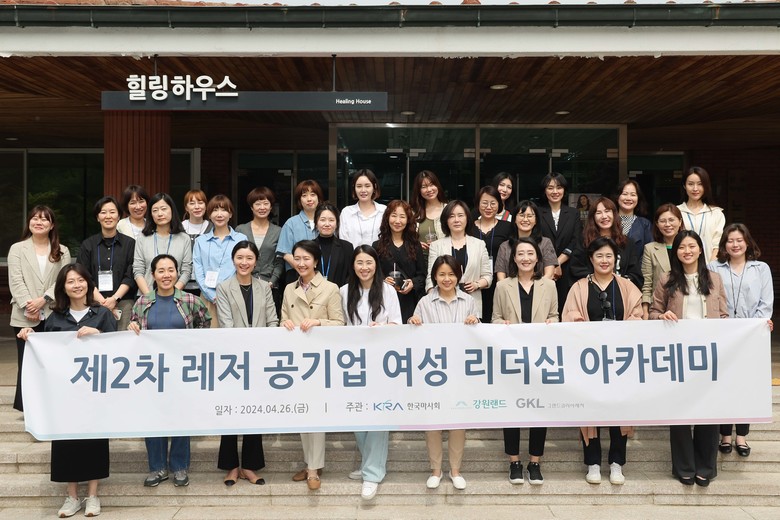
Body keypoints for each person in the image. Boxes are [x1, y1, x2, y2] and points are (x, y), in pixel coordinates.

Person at [17, 264, 116, 518]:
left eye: (81, 280)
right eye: (70, 281)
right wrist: (30, 334)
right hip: (64, 394)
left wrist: (99, 334)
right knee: (66, 443)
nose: (76, 285)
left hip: (95, 392)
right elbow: (45, 349)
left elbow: (117, 348)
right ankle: (71, 497)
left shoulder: (102, 314)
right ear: (63, 287)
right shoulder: (56, 318)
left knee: (94, 441)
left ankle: (92, 495)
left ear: (88, 284)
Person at [562, 236, 643, 485]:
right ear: (591, 259)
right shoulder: (579, 288)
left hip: (620, 361)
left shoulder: (627, 287)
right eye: (599, 256)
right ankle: (593, 463)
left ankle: (617, 463)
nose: (604, 260)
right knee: (590, 410)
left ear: (615, 259)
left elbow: (638, 316)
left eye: (609, 256)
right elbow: (568, 316)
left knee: (620, 411)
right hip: (589, 361)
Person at [650, 230, 728, 486]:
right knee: (680, 412)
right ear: (676, 251)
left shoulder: (714, 278)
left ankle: (705, 466)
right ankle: (684, 466)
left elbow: (724, 316)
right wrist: (661, 316)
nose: (687, 251)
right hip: (678, 356)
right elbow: (653, 312)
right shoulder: (667, 279)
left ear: (700, 249)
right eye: (682, 247)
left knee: (709, 411)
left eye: (692, 246)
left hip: (709, 354)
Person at [129, 254, 211, 488]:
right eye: (161, 271)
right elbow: (135, 328)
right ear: (153, 275)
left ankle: (179, 466)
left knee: (180, 417)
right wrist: (132, 326)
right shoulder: (142, 302)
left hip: (182, 370)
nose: (166, 275)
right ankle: (157, 468)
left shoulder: (191, 300)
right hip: (152, 371)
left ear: (177, 273)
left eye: (171, 270)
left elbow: (204, 326)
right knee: (153, 418)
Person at [409, 255, 480, 491]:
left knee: (458, 422)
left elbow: (478, 337)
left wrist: (475, 322)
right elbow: (415, 335)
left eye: (451, 274)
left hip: (459, 372)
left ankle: (455, 470)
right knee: (433, 423)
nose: (446, 279)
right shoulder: (424, 302)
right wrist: (413, 321)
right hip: (433, 373)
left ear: (458, 276)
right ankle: (436, 470)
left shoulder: (468, 301)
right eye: (441, 274)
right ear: (434, 277)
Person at [491, 238, 558, 485]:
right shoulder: (502, 286)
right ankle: (514, 462)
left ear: (538, 258)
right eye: (521, 254)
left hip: (540, 358)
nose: (526, 258)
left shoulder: (549, 285)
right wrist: (503, 324)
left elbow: (555, 315)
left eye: (530, 253)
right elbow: (495, 318)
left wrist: (552, 323)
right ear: (514, 258)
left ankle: (535, 462)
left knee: (539, 410)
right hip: (512, 359)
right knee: (512, 410)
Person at [280, 240, 345, 490]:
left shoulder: (330, 288)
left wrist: (318, 323)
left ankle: (313, 470)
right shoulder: (289, 289)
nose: (301, 263)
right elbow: (283, 319)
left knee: (316, 413)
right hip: (296, 360)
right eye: (297, 258)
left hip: (320, 360)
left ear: (316, 261)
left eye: (306, 258)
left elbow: (339, 323)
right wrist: (284, 324)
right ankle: (309, 463)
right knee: (302, 412)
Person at [339, 245, 402, 500]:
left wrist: (382, 328)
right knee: (357, 413)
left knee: (377, 414)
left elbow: (398, 324)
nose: (364, 267)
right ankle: (369, 463)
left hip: (381, 362)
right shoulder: (344, 292)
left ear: (376, 265)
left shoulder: (388, 291)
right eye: (359, 263)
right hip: (353, 364)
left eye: (369, 262)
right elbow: (340, 325)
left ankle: (372, 474)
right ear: (353, 266)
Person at [707, 223, 774, 458]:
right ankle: (725, 434)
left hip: (751, 336)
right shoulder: (713, 267)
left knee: (746, 385)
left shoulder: (761, 268)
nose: (735, 245)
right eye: (730, 240)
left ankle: (742, 436)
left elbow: (766, 303)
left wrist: (751, 328)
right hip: (722, 335)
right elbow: (710, 299)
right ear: (724, 244)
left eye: (739, 240)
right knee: (724, 384)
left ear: (747, 242)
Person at [215, 241, 278, 487]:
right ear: (233, 260)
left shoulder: (264, 287)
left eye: (249, 258)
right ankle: (231, 466)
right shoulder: (224, 287)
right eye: (240, 257)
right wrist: (245, 347)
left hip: (260, 358)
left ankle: (250, 466)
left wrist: (264, 347)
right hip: (233, 359)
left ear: (256, 261)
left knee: (254, 412)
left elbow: (272, 321)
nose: (244, 262)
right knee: (231, 411)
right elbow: (226, 324)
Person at [8, 205, 71, 412]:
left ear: (52, 225)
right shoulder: (17, 249)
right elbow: (16, 280)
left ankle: (51, 405)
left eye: (44, 219)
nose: (39, 222)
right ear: (29, 222)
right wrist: (30, 305)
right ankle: (27, 407)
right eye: (35, 218)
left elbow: (63, 280)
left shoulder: (62, 251)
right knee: (26, 362)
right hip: (23, 314)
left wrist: (43, 300)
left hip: (53, 312)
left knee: (51, 362)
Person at [77, 196, 136, 331]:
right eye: (103, 212)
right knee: (95, 339)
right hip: (94, 303)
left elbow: (130, 275)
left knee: (122, 340)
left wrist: (114, 299)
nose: (108, 216)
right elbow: (84, 276)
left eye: (112, 212)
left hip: (123, 303)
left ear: (119, 216)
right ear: (98, 217)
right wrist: (102, 301)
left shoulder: (130, 244)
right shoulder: (88, 245)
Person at [426, 200, 492, 316]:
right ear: (446, 220)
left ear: (467, 218)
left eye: (460, 215)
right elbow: (430, 277)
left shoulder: (479, 244)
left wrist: (476, 284)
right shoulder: (436, 246)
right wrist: (432, 299)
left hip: (472, 305)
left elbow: (488, 276)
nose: (456, 220)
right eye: (451, 216)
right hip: (442, 305)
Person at [193, 195, 247, 327]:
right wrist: (212, 296)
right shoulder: (200, 241)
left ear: (230, 214)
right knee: (210, 336)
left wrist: (227, 295)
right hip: (208, 298)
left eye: (224, 210)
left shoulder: (241, 239)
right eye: (215, 210)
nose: (219, 214)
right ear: (209, 215)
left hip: (235, 296)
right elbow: (198, 272)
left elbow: (245, 268)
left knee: (237, 335)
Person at [569, 196, 643, 290]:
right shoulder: (584, 241)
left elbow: (635, 274)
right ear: (593, 217)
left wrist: (619, 283)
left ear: (614, 214)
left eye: (607, 211)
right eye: (598, 213)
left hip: (621, 291)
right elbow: (575, 268)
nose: (604, 216)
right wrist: (597, 282)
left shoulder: (627, 242)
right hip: (591, 291)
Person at [372, 199, 426, 323]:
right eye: (394, 215)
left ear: (408, 220)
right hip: (385, 301)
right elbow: (373, 275)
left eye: (402, 217)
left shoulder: (415, 245)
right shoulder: (377, 246)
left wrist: (413, 283)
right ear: (387, 218)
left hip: (410, 301)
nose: (397, 221)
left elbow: (422, 275)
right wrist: (384, 281)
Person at [132, 192, 192, 297]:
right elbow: (138, 270)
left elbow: (186, 271)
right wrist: (150, 297)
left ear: (172, 210)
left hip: (175, 297)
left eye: (164, 209)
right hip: (147, 296)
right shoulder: (142, 238)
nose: (160, 214)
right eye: (155, 210)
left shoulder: (184, 238)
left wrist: (172, 295)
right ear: (151, 214)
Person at [538, 173, 582, 313]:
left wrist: (557, 262)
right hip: (542, 268)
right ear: (545, 190)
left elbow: (575, 240)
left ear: (564, 189)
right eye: (550, 188)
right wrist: (551, 265)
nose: (555, 191)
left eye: (559, 187)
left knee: (566, 309)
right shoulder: (537, 212)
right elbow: (536, 239)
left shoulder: (573, 213)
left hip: (568, 269)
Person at [470, 186, 513, 322]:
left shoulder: (508, 227)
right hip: (474, 282)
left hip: (499, 279)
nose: (488, 207)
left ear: (499, 205)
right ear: (478, 204)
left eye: (493, 203)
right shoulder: (469, 227)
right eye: (484, 203)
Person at [235, 187, 284, 292]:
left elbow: (279, 261)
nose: (262, 207)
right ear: (251, 207)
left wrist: (272, 282)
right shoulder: (241, 230)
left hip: (270, 285)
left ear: (271, 207)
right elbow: (235, 257)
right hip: (244, 283)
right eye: (258, 204)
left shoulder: (278, 231)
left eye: (266, 203)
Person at [495, 201, 557, 281]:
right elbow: (500, 277)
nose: (525, 219)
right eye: (521, 215)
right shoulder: (505, 246)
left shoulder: (545, 243)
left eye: (529, 216)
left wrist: (534, 287)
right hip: (510, 288)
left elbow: (549, 274)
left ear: (536, 220)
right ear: (514, 219)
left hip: (540, 287)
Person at [276, 180, 323, 286]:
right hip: (296, 276)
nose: (309, 199)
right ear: (299, 200)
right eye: (304, 195)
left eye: (313, 195)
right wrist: (305, 269)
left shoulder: (325, 223)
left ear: (318, 198)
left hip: (321, 277)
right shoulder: (291, 223)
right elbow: (286, 254)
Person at [641, 204, 683, 320]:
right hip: (660, 309)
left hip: (685, 307)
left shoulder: (688, 248)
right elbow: (647, 284)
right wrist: (645, 311)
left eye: (671, 220)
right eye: (663, 221)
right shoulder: (650, 249)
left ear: (680, 222)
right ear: (657, 224)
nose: (667, 224)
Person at [677, 166, 725, 261]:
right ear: (684, 186)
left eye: (700, 184)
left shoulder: (716, 213)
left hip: (709, 265)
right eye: (690, 184)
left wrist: (711, 266)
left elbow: (717, 244)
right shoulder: (677, 212)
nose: (695, 188)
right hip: (682, 266)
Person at [339, 169, 386, 247]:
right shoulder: (346, 212)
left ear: (374, 187)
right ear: (354, 188)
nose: (363, 190)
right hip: (352, 255)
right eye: (359, 186)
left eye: (367, 186)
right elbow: (344, 242)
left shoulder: (384, 211)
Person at [181, 189, 214, 295]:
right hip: (181, 284)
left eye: (200, 202)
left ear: (206, 205)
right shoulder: (179, 228)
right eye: (192, 203)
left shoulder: (213, 228)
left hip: (207, 285)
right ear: (186, 207)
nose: (197, 207)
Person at [314, 202, 354, 287]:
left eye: (331, 220)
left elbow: (350, 275)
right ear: (316, 223)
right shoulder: (309, 247)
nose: (327, 224)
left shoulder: (347, 247)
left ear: (337, 224)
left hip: (339, 293)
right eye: (322, 220)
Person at [411, 170, 448, 258]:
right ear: (419, 190)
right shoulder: (414, 213)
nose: (429, 190)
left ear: (437, 185)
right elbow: (405, 238)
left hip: (443, 260)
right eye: (424, 187)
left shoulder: (448, 210)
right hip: (419, 260)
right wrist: (416, 244)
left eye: (431, 185)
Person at [615, 179, 653, 252]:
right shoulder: (608, 221)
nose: (628, 198)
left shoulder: (645, 224)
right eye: (625, 194)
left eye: (633, 195)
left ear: (638, 198)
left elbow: (649, 252)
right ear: (617, 197)